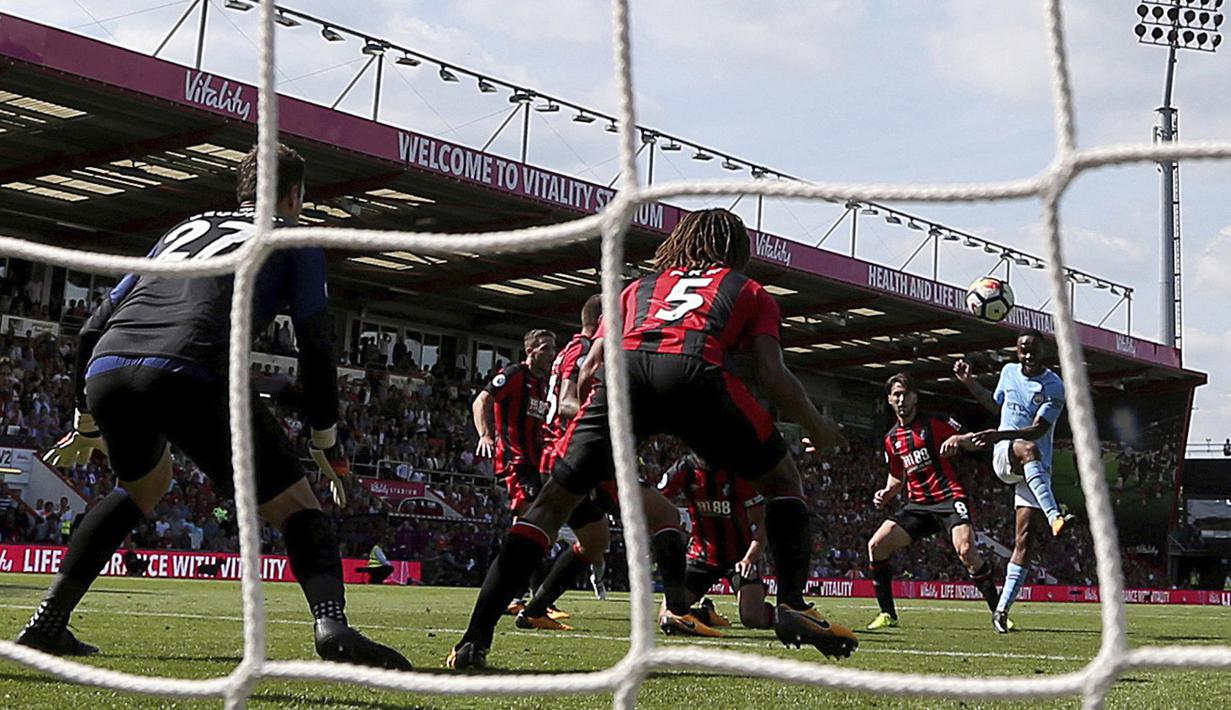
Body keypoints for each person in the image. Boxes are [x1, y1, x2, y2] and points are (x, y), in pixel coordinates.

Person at [18, 143, 410, 670]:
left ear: (242, 189)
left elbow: (91, 327)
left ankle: (47, 621)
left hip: (109, 365)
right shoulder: (295, 235)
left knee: (142, 487)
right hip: (192, 367)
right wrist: (325, 439)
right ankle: (331, 623)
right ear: (296, 193)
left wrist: (85, 420)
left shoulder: (183, 229)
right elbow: (316, 346)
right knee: (297, 505)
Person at [447, 208, 854, 670]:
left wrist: (598, 427)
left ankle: (473, 641)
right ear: (735, 251)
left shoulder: (635, 289)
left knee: (550, 507)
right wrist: (818, 426)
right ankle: (793, 604)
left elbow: (589, 368)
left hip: (624, 376)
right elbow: (770, 373)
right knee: (782, 480)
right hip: (696, 369)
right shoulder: (749, 290)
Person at [955, 329, 1072, 633]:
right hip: (1006, 455)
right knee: (1026, 448)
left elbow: (1036, 429)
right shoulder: (1008, 373)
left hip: (1033, 469)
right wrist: (969, 382)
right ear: (1016, 351)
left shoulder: (1054, 387)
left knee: (1024, 542)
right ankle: (1054, 515)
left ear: (1043, 352)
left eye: (1033, 350)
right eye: (1022, 350)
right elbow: (997, 406)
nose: (1027, 355)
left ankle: (1002, 609)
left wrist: (998, 433)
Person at [864, 372, 999, 631]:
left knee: (966, 551)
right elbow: (895, 478)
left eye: (905, 394)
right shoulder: (891, 439)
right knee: (876, 545)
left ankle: (998, 611)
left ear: (915, 397)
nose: (901, 399)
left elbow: (974, 441)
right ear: (889, 400)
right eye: (896, 395)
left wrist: (959, 440)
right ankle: (887, 614)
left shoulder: (936, 422)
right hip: (918, 507)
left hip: (949, 498)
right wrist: (885, 493)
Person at [516, 294, 614, 630]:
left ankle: (534, 607)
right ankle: (677, 607)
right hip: (568, 452)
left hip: (569, 451)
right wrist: (610, 415)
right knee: (659, 514)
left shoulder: (574, 350)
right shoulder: (585, 351)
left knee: (596, 540)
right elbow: (566, 406)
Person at [658, 453, 774, 630]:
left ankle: (786, 615)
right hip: (700, 556)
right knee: (668, 617)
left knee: (753, 619)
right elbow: (656, 500)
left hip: (739, 558)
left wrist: (750, 559)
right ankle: (705, 615)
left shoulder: (739, 472)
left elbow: (762, 522)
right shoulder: (684, 469)